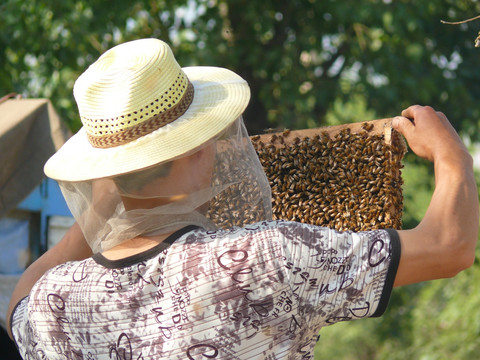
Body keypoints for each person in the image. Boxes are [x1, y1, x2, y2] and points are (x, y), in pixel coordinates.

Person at [6, 38, 478, 360]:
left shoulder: (55, 303)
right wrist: (453, 158)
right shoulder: (266, 257)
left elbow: (18, 304)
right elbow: (447, 246)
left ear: (104, 174)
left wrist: (106, 201)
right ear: (195, 147)